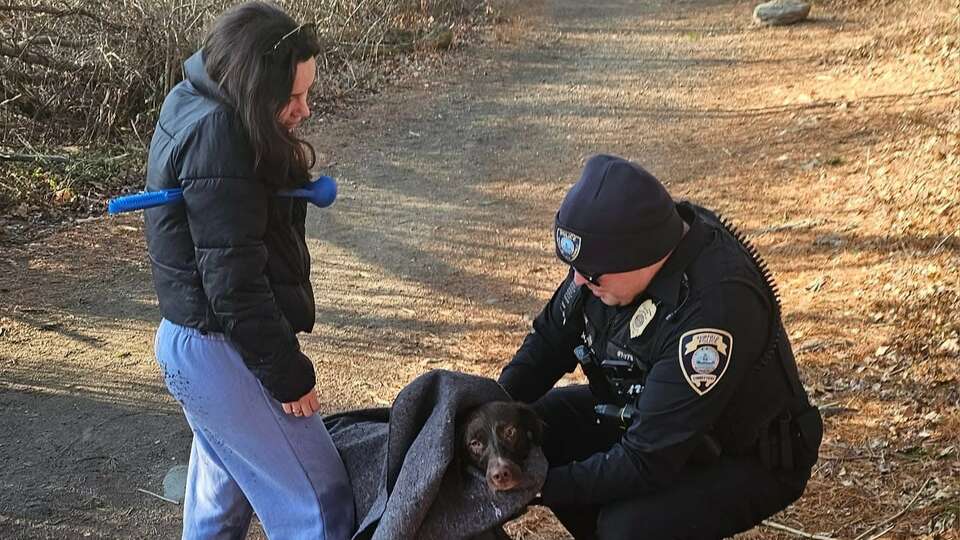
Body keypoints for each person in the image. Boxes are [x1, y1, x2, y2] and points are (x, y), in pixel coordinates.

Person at [498, 154, 823, 539]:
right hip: (653, 420)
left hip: (745, 456)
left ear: (639, 255)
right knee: (537, 426)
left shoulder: (715, 309)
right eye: (575, 269)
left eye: (590, 273)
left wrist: (534, 486)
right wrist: (488, 410)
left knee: (628, 528)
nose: (579, 282)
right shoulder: (606, 266)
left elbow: (645, 461)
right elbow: (549, 343)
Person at [144, 3, 355, 538]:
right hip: (221, 349)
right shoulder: (220, 135)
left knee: (219, 507)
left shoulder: (194, 97)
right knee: (322, 506)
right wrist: (287, 372)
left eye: (307, 93)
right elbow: (234, 285)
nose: (304, 110)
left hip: (188, 343)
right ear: (255, 87)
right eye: (293, 97)